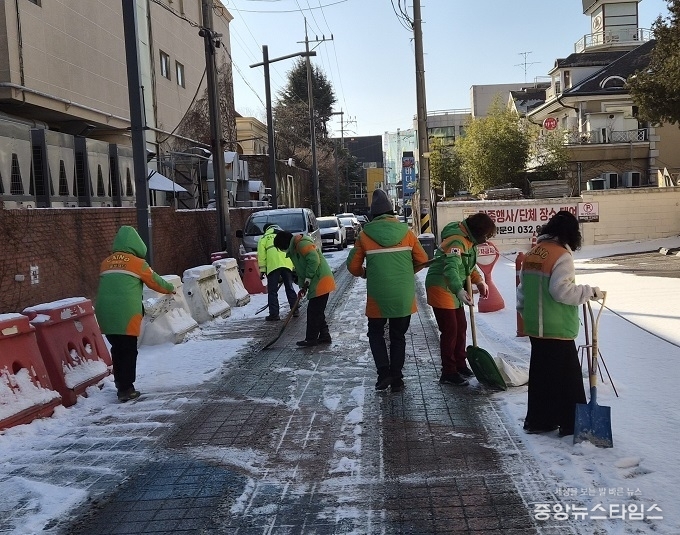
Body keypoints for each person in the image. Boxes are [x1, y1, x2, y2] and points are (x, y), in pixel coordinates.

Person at [517, 210, 604, 437]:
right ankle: (571, 424)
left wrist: (526, 314)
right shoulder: (561, 256)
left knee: (541, 375)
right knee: (568, 379)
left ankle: (539, 420)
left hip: (535, 326)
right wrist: (589, 292)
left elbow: (522, 290)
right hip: (557, 327)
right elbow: (561, 291)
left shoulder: (533, 253)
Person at [346, 189, 429, 392]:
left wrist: (365, 273)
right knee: (398, 336)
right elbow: (423, 260)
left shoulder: (365, 236)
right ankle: (397, 378)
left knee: (376, 333)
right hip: (402, 295)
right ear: (392, 212)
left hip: (378, 296)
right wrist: (407, 272)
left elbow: (353, 267)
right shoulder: (407, 233)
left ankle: (383, 373)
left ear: (373, 214)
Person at [95, 226, 175, 402]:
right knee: (129, 350)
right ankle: (127, 389)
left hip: (104, 313)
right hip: (126, 313)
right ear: (137, 244)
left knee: (117, 348)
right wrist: (170, 288)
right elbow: (155, 282)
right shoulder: (137, 263)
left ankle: (120, 385)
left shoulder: (106, 262)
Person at [425, 213, 497, 386]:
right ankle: (448, 372)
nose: (486, 240)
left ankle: (460, 363)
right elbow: (451, 269)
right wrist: (458, 290)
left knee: (461, 327)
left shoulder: (468, 241)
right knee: (450, 330)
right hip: (441, 286)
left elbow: (467, 267)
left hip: (453, 287)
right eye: (485, 235)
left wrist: (479, 282)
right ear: (477, 231)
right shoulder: (457, 241)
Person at [273, 229, 336, 346]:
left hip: (321, 280)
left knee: (313, 312)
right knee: (317, 311)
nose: (282, 251)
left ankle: (311, 339)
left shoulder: (302, 244)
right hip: (317, 281)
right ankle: (324, 335)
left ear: (284, 243)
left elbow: (313, 260)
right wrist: (303, 286)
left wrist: (308, 279)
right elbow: (301, 268)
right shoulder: (295, 248)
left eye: (281, 248)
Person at [257, 223, 299, 321]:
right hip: (287, 265)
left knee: (272, 291)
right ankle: (295, 310)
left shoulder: (264, 238)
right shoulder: (283, 235)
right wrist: (293, 267)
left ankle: (274, 314)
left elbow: (261, 256)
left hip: (273, 266)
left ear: (266, 230)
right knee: (290, 287)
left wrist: (262, 270)